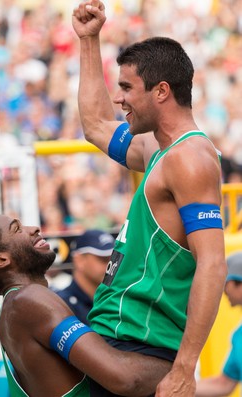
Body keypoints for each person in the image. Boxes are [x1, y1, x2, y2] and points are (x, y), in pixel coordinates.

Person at [72, 1, 227, 396]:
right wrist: (89, 41)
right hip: (115, 335)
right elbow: (94, 125)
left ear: (161, 91)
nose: (119, 99)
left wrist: (184, 370)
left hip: (140, 343)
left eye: (126, 88)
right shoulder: (156, 150)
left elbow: (212, 262)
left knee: (26, 313)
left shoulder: (190, 159)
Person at [0, 213, 173, 397]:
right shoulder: (29, 299)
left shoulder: (12, 310)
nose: (33, 228)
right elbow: (126, 378)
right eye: (17, 229)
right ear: (0, 260)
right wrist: (181, 365)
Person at [196, 251, 242, 396]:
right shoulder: (239, 336)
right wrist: (175, 387)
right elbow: (224, 383)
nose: (222, 291)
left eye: (225, 283)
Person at [56, 229, 114, 324]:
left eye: (114, 259)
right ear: (79, 260)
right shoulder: (63, 305)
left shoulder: (113, 301)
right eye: (103, 259)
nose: (111, 265)